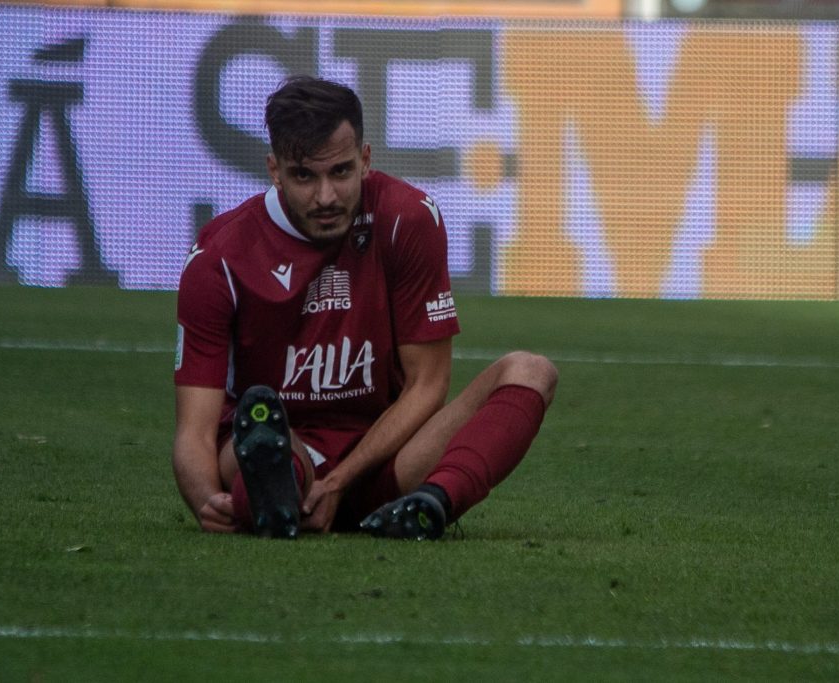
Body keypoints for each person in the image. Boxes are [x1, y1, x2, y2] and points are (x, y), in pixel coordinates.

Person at [173, 76, 557, 540]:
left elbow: (428, 385)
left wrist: (340, 480)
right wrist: (205, 501)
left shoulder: (407, 219)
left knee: (531, 371)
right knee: (258, 439)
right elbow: (195, 430)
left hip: (384, 459)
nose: (326, 197)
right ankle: (280, 485)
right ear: (275, 170)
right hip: (288, 439)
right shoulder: (219, 255)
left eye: (340, 171)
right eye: (304, 176)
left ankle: (430, 504)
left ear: (366, 160)